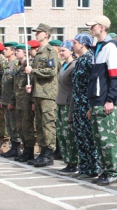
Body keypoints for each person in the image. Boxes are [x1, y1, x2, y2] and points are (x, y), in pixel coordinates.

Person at [85, 16, 117, 185]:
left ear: (101, 27)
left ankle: (112, 171)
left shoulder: (110, 48)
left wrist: (110, 100)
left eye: (92, 26)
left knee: (107, 139)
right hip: (96, 101)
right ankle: (104, 170)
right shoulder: (97, 47)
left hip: (104, 100)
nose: (90, 29)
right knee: (99, 139)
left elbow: (115, 76)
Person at [25, 23, 58, 167]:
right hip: (38, 92)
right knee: (39, 125)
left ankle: (49, 153)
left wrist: (33, 71)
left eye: (39, 32)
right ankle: (43, 151)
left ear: (46, 34)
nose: (36, 34)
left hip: (48, 93)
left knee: (48, 124)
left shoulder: (51, 51)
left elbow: (51, 71)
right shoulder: (39, 52)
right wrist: (30, 84)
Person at [70, 34, 101, 178]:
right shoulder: (80, 60)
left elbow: (93, 84)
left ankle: (93, 168)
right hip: (78, 104)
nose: (73, 45)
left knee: (89, 138)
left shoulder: (90, 59)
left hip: (86, 104)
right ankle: (84, 167)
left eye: (75, 42)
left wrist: (90, 106)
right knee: (80, 137)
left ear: (83, 44)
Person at [55, 40, 79, 175]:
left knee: (69, 134)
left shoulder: (74, 65)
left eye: (63, 50)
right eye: (60, 50)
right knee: (62, 134)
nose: (61, 53)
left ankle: (73, 162)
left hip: (68, 104)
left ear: (71, 51)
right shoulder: (64, 65)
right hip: (60, 102)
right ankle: (68, 161)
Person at [12, 42, 37, 162]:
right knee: (20, 127)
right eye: (16, 50)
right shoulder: (19, 66)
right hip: (19, 101)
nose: (16, 52)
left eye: (19, 51)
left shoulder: (30, 66)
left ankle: (29, 151)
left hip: (27, 101)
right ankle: (25, 148)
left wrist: (32, 101)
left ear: (25, 52)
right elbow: (15, 86)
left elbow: (33, 85)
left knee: (27, 127)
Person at [0, 42, 20, 158]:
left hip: (12, 100)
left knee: (14, 125)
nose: (4, 51)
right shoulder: (8, 64)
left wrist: (12, 101)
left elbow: (15, 85)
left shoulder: (16, 64)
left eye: (6, 49)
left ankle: (16, 148)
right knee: (9, 125)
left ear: (13, 51)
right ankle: (13, 147)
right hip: (5, 99)